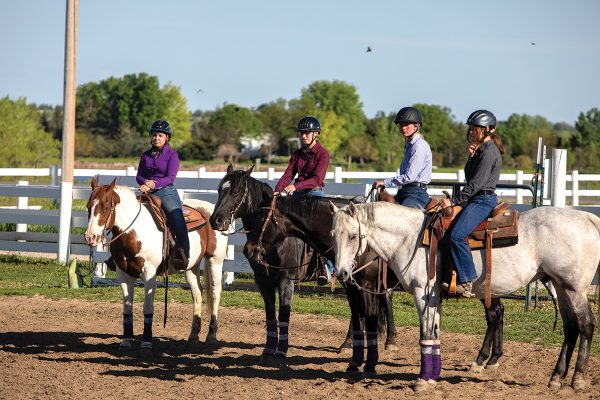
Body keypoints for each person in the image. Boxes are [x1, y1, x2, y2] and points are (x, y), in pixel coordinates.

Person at [440, 110, 505, 297]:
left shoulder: (490, 152)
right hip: (476, 198)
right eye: (471, 127)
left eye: (475, 128)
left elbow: (476, 184)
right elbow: (471, 177)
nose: (471, 131)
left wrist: (453, 200)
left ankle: (466, 281)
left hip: (483, 200)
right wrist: (470, 157)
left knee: (456, 235)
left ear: (488, 129)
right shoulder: (482, 150)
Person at [274, 116, 332, 283]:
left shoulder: (323, 154)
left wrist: (295, 187)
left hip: (314, 194)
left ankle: (327, 268)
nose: (304, 136)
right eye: (302, 133)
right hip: (298, 195)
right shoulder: (297, 154)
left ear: (316, 134)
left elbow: (317, 179)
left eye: (307, 133)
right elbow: (288, 175)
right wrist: (276, 192)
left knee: (321, 230)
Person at [136, 119, 189, 270]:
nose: (156, 138)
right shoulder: (145, 155)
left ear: (167, 137)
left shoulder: (172, 155)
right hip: (146, 190)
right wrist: (145, 182)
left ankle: (184, 254)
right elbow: (139, 175)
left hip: (166, 191)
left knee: (176, 216)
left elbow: (170, 177)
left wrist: (154, 184)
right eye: (154, 135)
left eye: (160, 135)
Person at [373, 106, 432, 209]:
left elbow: (409, 177)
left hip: (416, 194)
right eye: (401, 124)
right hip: (405, 192)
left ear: (416, 126)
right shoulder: (410, 145)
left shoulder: (418, 146)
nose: (403, 127)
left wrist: (385, 182)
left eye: (406, 124)